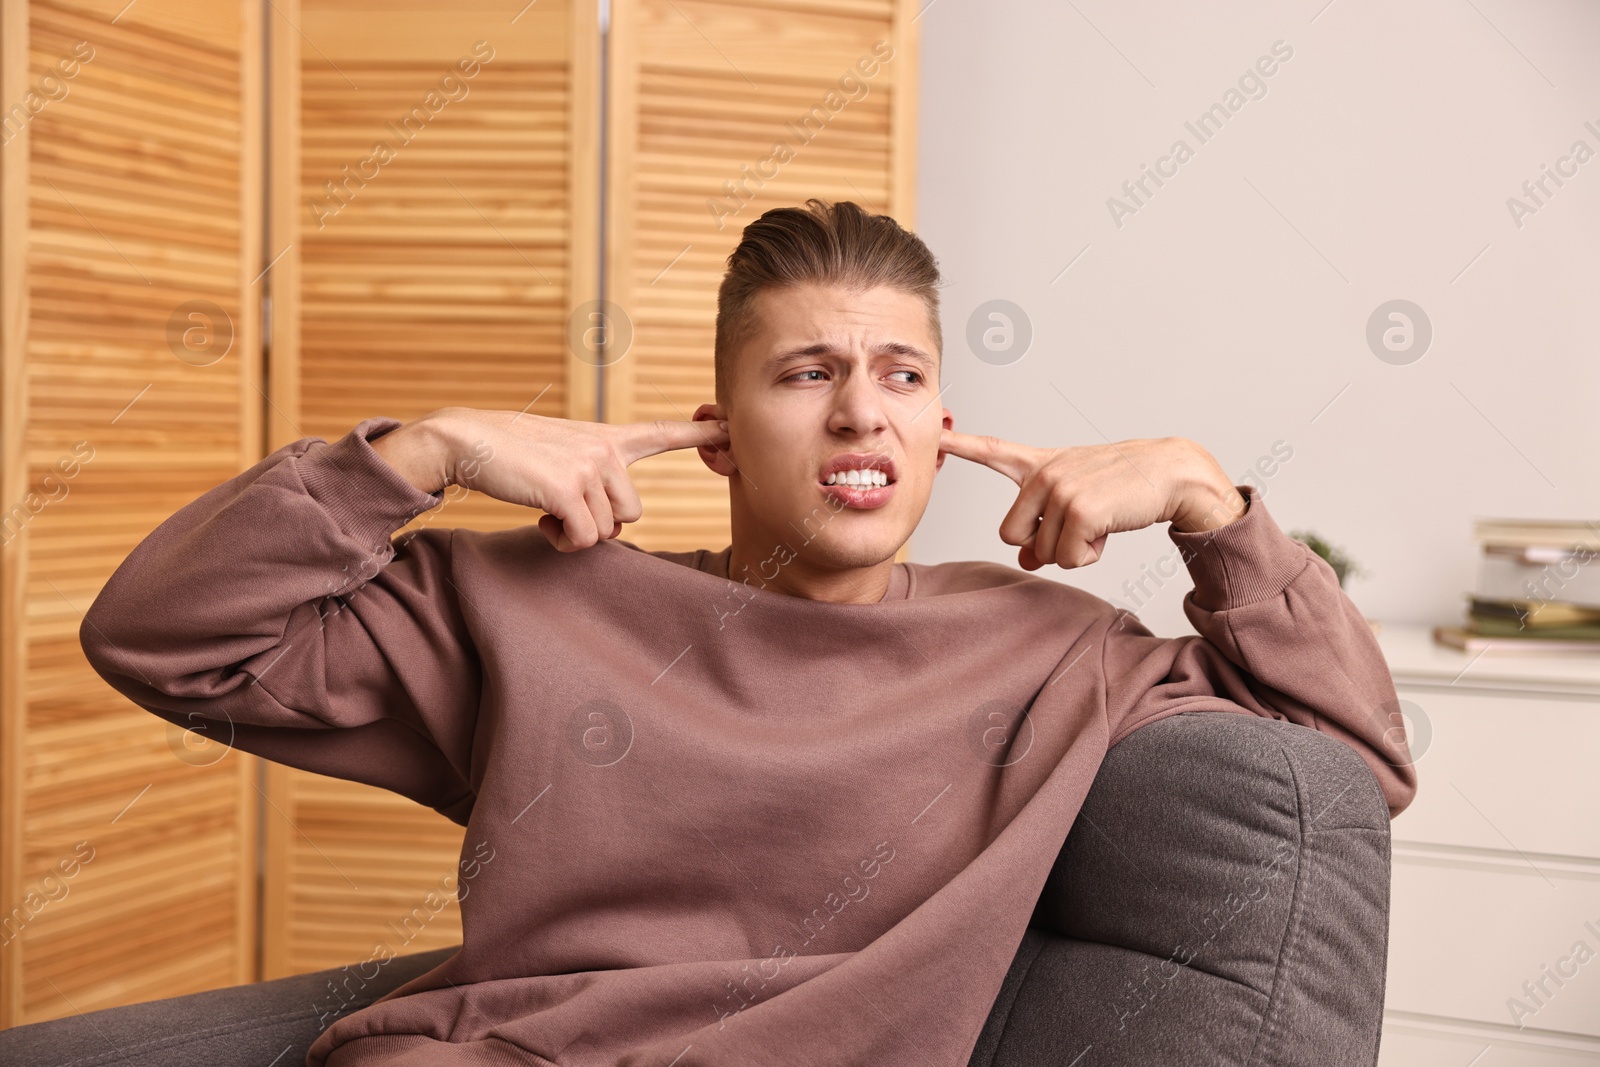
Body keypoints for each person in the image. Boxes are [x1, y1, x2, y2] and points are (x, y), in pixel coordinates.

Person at [79, 199, 1417, 1067]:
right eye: (807, 375)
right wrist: (416, 451)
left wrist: (1208, 501)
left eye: (903, 377)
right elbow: (161, 637)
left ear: (942, 432)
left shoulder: (1048, 648)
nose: (862, 414)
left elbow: (1356, 766)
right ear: (718, 436)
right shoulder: (535, 599)